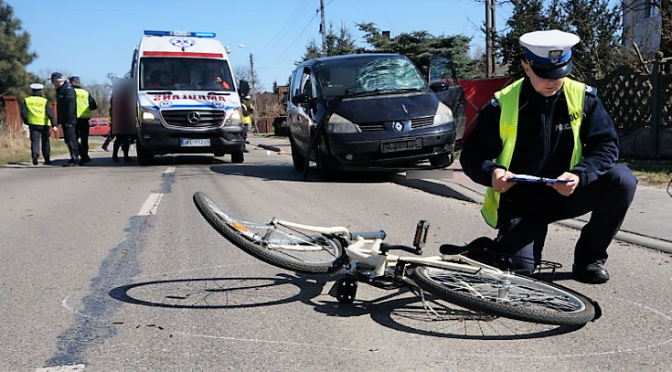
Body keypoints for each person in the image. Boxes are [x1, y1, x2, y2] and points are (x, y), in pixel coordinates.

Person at [459, 29, 637, 284]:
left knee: (622, 180)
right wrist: (492, 173)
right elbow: (473, 155)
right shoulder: (502, 103)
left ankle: (588, 260)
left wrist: (579, 175)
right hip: (521, 198)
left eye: (559, 73)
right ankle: (489, 252)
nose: (552, 81)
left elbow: (606, 146)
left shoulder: (583, 98)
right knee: (520, 273)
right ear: (526, 66)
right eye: (544, 74)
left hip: (566, 190)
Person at [20, 83, 55, 165]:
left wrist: (27, 121)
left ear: (32, 91)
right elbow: (49, 113)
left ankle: (35, 155)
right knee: (45, 141)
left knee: (35, 141)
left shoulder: (27, 100)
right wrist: (54, 124)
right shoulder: (44, 101)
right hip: (44, 124)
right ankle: (47, 158)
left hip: (33, 124)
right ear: (41, 91)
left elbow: (23, 113)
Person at [50, 72, 80, 166]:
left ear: (58, 80)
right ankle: (74, 157)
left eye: (53, 81)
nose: (52, 83)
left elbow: (71, 106)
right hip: (65, 119)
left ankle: (75, 158)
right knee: (68, 139)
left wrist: (69, 121)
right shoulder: (60, 89)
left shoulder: (67, 89)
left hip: (69, 119)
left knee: (71, 139)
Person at [69, 76, 98, 165]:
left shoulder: (70, 92)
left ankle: (76, 156)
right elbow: (93, 106)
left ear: (73, 83)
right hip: (85, 119)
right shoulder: (85, 92)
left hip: (74, 119)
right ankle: (85, 156)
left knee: (73, 139)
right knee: (84, 140)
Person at [110, 80, 136, 162]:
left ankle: (115, 155)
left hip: (119, 120)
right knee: (125, 139)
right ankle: (125, 156)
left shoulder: (116, 96)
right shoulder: (130, 96)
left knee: (119, 139)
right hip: (126, 119)